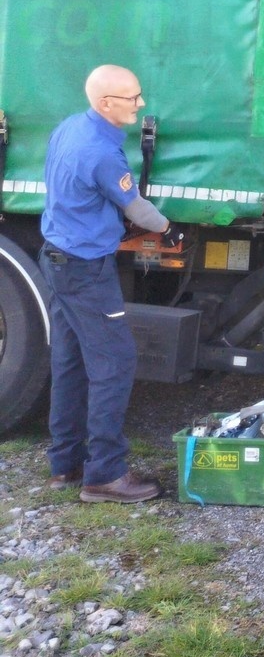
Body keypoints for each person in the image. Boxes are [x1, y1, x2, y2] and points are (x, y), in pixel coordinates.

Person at [40, 66, 183, 503]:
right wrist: (170, 230)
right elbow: (136, 209)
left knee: (69, 361)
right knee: (115, 362)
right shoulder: (100, 152)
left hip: (56, 259)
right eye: (132, 98)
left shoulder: (70, 127)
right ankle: (105, 475)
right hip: (85, 269)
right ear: (106, 104)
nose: (140, 105)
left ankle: (65, 465)